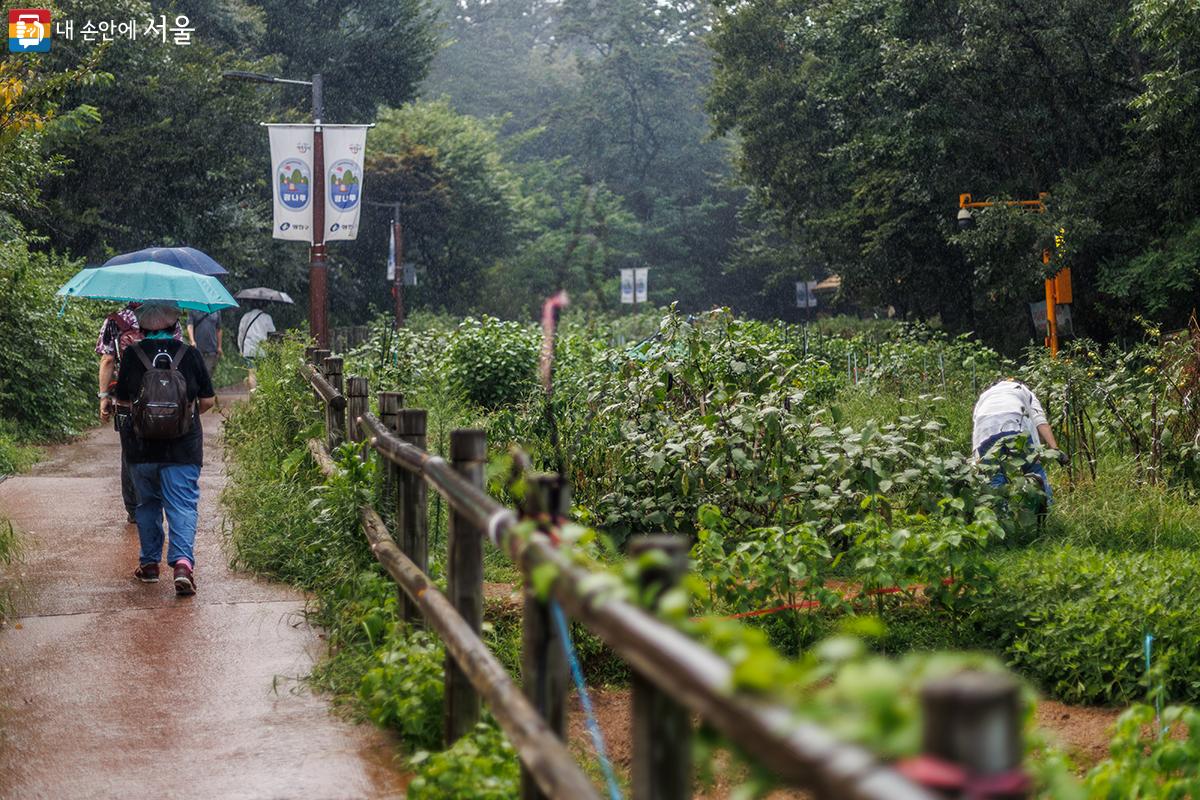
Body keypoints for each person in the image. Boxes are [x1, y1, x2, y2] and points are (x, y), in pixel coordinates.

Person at [114, 302, 215, 595]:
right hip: (183, 448)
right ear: (175, 327)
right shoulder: (190, 354)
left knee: (147, 505)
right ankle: (183, 565)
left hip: (141, 448)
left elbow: (123, 402)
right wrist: (182, 416)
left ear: (141, 329)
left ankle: (149, 566)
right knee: (182, 505)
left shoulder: (132, 355)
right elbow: (207, 401)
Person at [97, 303, 182, 523]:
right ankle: (157, 502)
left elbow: (107, 360)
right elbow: (178, 357)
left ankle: (135, 509)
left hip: (126, 399)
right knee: (161, 447)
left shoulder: (114, 321)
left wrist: (104, 396)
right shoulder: (169, 317)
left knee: (130, 453)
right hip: (163, 399)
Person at [971, 379, 1065, 505]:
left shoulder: (985, 395)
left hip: (986, 428)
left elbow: (977, 422)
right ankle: (1045, 511)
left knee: (994, 475)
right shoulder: (1022, 389)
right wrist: (1055, 449)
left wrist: (977, 459)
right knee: (1034, 469)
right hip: (1015, 423)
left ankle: (1000, 517)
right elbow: (1040, 421)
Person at [237, 302, 275, 389]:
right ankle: (261, 396)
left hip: (248, 349)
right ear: (264, 306)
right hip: (262, 350)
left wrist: (241, 349)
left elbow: (241, 334)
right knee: (262, 373)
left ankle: (253, 394)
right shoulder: (267, 317)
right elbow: (272, 334)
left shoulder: (245, 316)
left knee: (252, 372)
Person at [187, 308, 222, 380]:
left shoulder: (216, 311)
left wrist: (219, 346)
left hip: (212, 348)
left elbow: (219, 329)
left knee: (208, 373)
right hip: (197, 348)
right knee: (197, 371)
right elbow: (190, 325)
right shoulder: (193, 309)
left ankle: (204, 389)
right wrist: (192, 340)